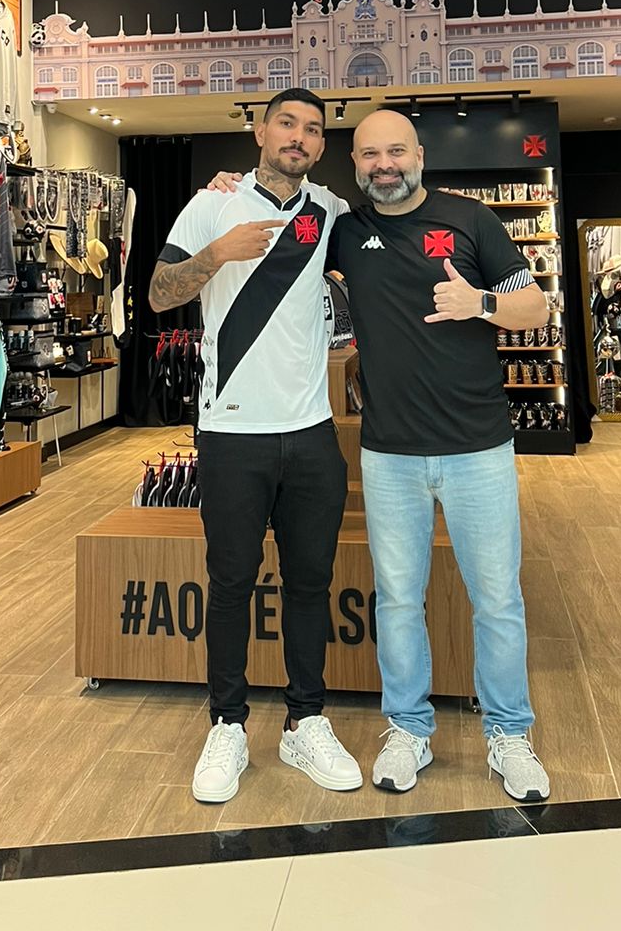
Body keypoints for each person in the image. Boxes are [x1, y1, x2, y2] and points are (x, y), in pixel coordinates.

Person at [328, 109, 551, 803]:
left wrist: (478, 301)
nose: (384, 165)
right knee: (398, 600)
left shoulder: (471, 220)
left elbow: (535, 309)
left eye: (396, 151)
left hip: (477, 447)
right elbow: (280, 218)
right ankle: (408, 729)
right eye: (370, 154)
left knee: (498, 600)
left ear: (420, 155)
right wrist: (228, 185)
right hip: (389, 451)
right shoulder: (346, 230)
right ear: (356, 164)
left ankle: (509, 735)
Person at [149, 89, 361, 805]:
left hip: (310, 431)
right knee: (231, 584)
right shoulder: (212, 204)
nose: (299, 136)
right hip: (231, 431)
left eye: (313, 129)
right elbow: (158, 294)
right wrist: (218, 253)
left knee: (309, 584)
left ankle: (305, 720)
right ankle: (228, 724)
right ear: (260, 131)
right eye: (287, 124)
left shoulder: (330, 212)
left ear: (322, 145)